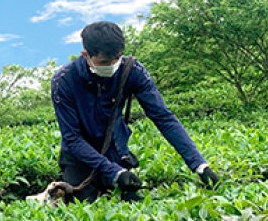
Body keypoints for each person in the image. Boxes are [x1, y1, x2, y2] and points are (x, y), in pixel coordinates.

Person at [36, 21, 218, 204]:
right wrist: (115, 172)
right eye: (105, 62)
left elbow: (163, 117)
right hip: (79, 157)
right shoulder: (64, 80)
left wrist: (199, 164)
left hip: (115, 152)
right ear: (86, 55)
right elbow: (72, 138)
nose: (113, 65)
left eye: (117, 58)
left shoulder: (133, 71)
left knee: (133, 203)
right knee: (83, 205)